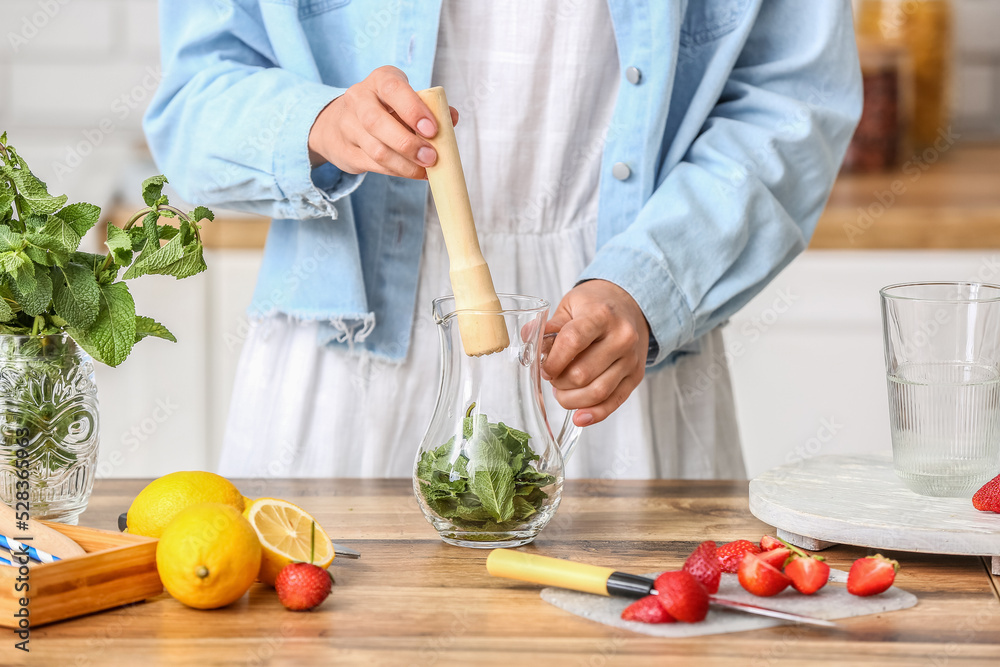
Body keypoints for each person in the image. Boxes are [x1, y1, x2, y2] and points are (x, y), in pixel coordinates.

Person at [144, 1, 862, 479]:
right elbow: (192, 100)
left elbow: (792, 99)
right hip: (347, 360)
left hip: (621, 354)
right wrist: (320, 122)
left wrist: (650, 284)